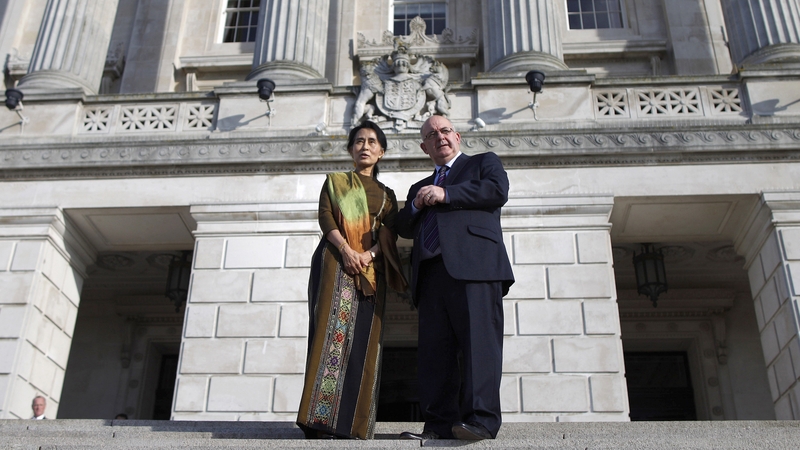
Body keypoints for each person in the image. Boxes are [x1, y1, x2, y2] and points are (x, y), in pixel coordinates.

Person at [395, 115, 514, 441]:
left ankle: (480, 421)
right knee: (435, 353)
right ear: (424, 146)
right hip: (432, 274)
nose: (439, 137)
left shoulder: (482, 163)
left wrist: (446, 195)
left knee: (480, 345)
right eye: (431, 135)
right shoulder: (418, 187)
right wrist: (417, 205)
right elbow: (404, 225)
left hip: (476, 268)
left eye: (444, 131)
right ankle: (437, 425)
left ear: (457, 136)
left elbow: (497, 190)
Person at [296, 121, 407, 439]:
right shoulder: (336, 182)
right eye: (359, 141)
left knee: (364, 340)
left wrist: (367, 256)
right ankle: (319, 420)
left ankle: (353, 424)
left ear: (381, 151)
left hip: (371, 270)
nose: (365, 145)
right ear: (350, 149)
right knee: (330, 335)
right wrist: (346, 250)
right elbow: (325, 215)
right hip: (335, 260)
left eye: (372, 141)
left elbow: (389, 232)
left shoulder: (387, 195)